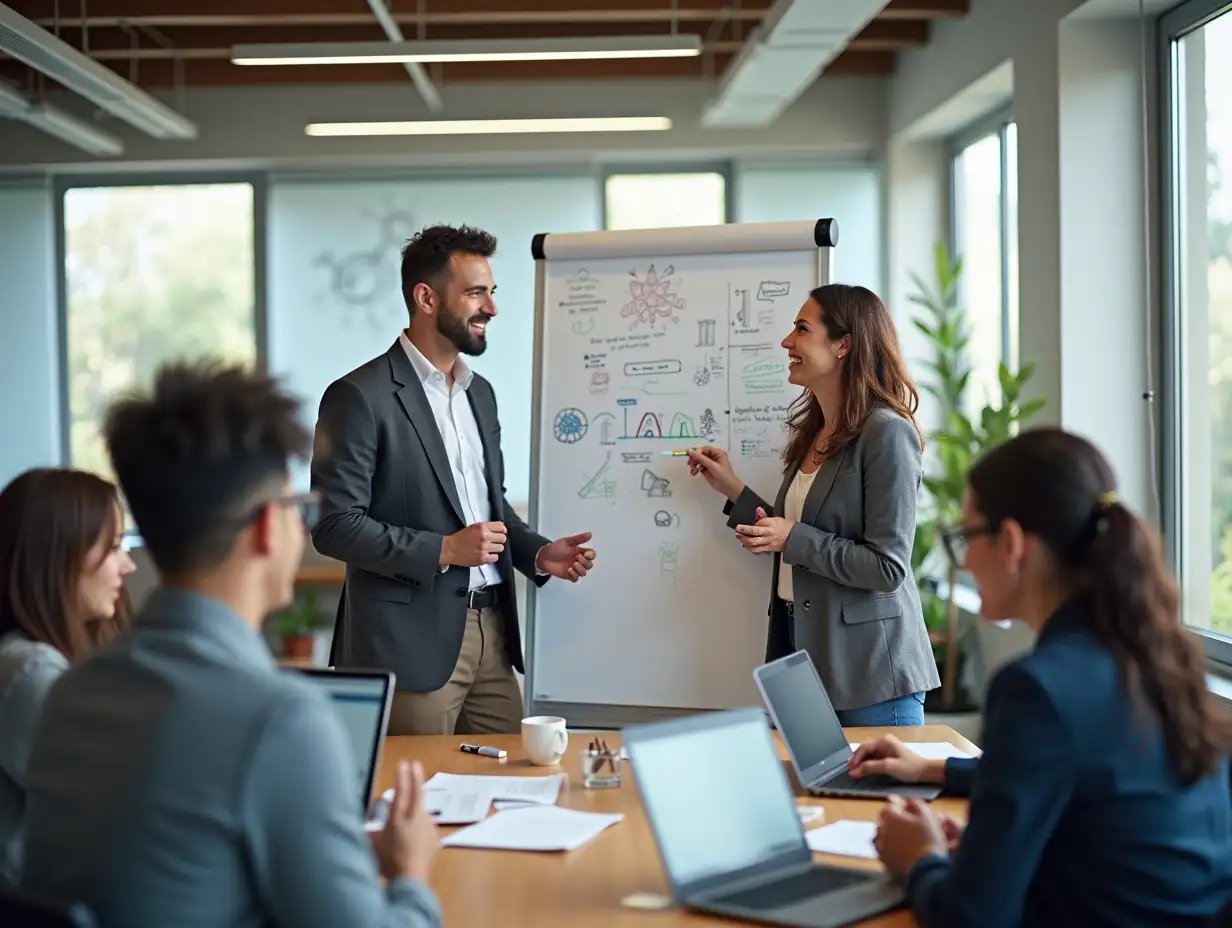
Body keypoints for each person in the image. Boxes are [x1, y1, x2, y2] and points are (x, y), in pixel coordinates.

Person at [21, 362, 442, 927]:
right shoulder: (280, 720)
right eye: (299, 510)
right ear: (269, 527)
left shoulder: (71, 693)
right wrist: (412, 873)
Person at [853, 428, 1232, 927]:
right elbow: (1091, 792)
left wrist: (918, 858)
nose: (964, 560)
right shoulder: (1154, 657)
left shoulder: (1037, 688)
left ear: (1010, 542)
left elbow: (970, 919)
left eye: (967, 537)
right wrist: (934, 770)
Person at [312, 224, 596, 736]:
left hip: (494, 631)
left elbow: (490, 509)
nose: (491, 308)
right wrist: (444, 549)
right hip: (407, 643)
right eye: (474, 293)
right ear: (425, 297)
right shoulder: (358, 396)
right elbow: (334, 525)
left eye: (491, 292)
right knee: (418, 795)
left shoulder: (478, 393)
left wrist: (535, 552)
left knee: (512, 789)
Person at [687, 283, 938, 726]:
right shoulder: (816, 432)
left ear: (844, 345)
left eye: (801, 329)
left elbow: (887, 567)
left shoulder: (887, 433)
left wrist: (792, 537)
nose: (788, 342)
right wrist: (733, 491)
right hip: (803, 660)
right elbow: (801, 528)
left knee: (876, 798)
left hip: (869, 672)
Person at [0, 468, 135, 884]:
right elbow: (128, 807)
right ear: (58, 556)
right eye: (113, 548)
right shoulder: (31, 674)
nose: (128, 565)